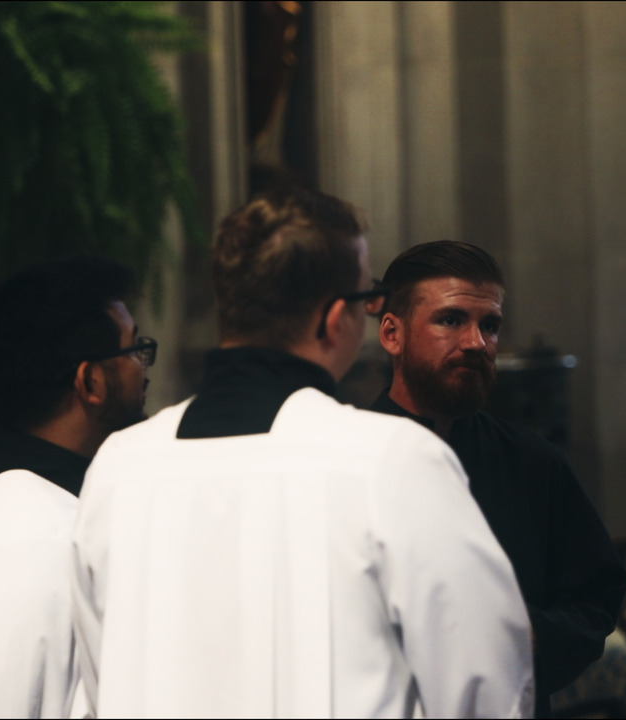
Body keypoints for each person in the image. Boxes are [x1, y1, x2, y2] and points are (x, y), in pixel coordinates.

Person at [70, 190, 534, 718]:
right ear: (336, 319)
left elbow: (99, 682)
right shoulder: (393, 461)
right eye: (367, 299)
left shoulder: (119, 467)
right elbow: (486, 684)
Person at [370, 241, 626, 717]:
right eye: (451, 320)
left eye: (489, 325)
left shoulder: (532, 462)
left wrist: (526, 635)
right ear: (392, 334)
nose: (476, 343)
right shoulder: (348, 461)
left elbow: (595, 600)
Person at [0, 256, 149, 718]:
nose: (144, 369)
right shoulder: (26, 544)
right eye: (133, 351)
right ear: (90, 380)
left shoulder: (20, 516)